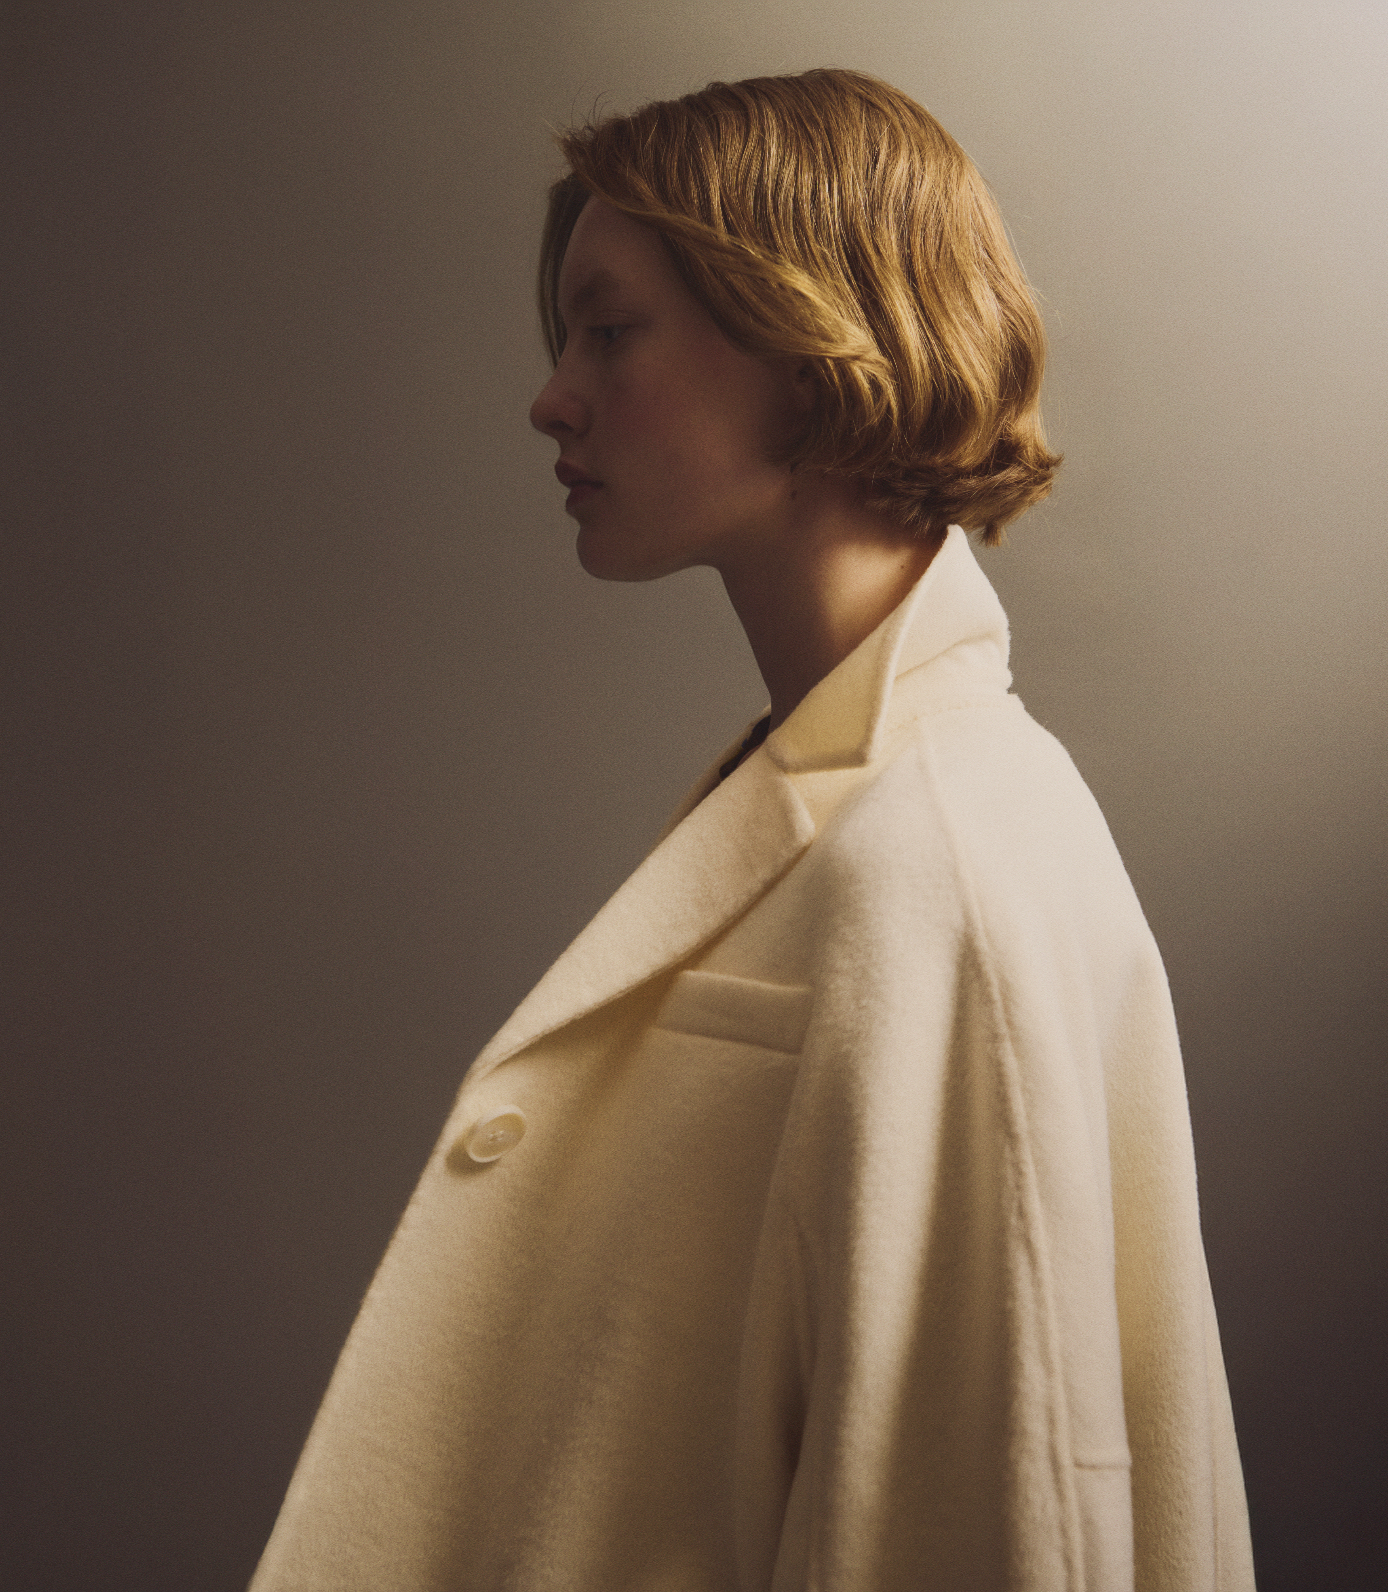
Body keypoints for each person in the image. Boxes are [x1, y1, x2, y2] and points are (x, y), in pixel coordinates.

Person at [251, 68, 1255, 1592]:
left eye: (610, 330)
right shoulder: (861, 794)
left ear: (805, 350)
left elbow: (998, 1518)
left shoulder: (939, 862)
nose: (551, 396)